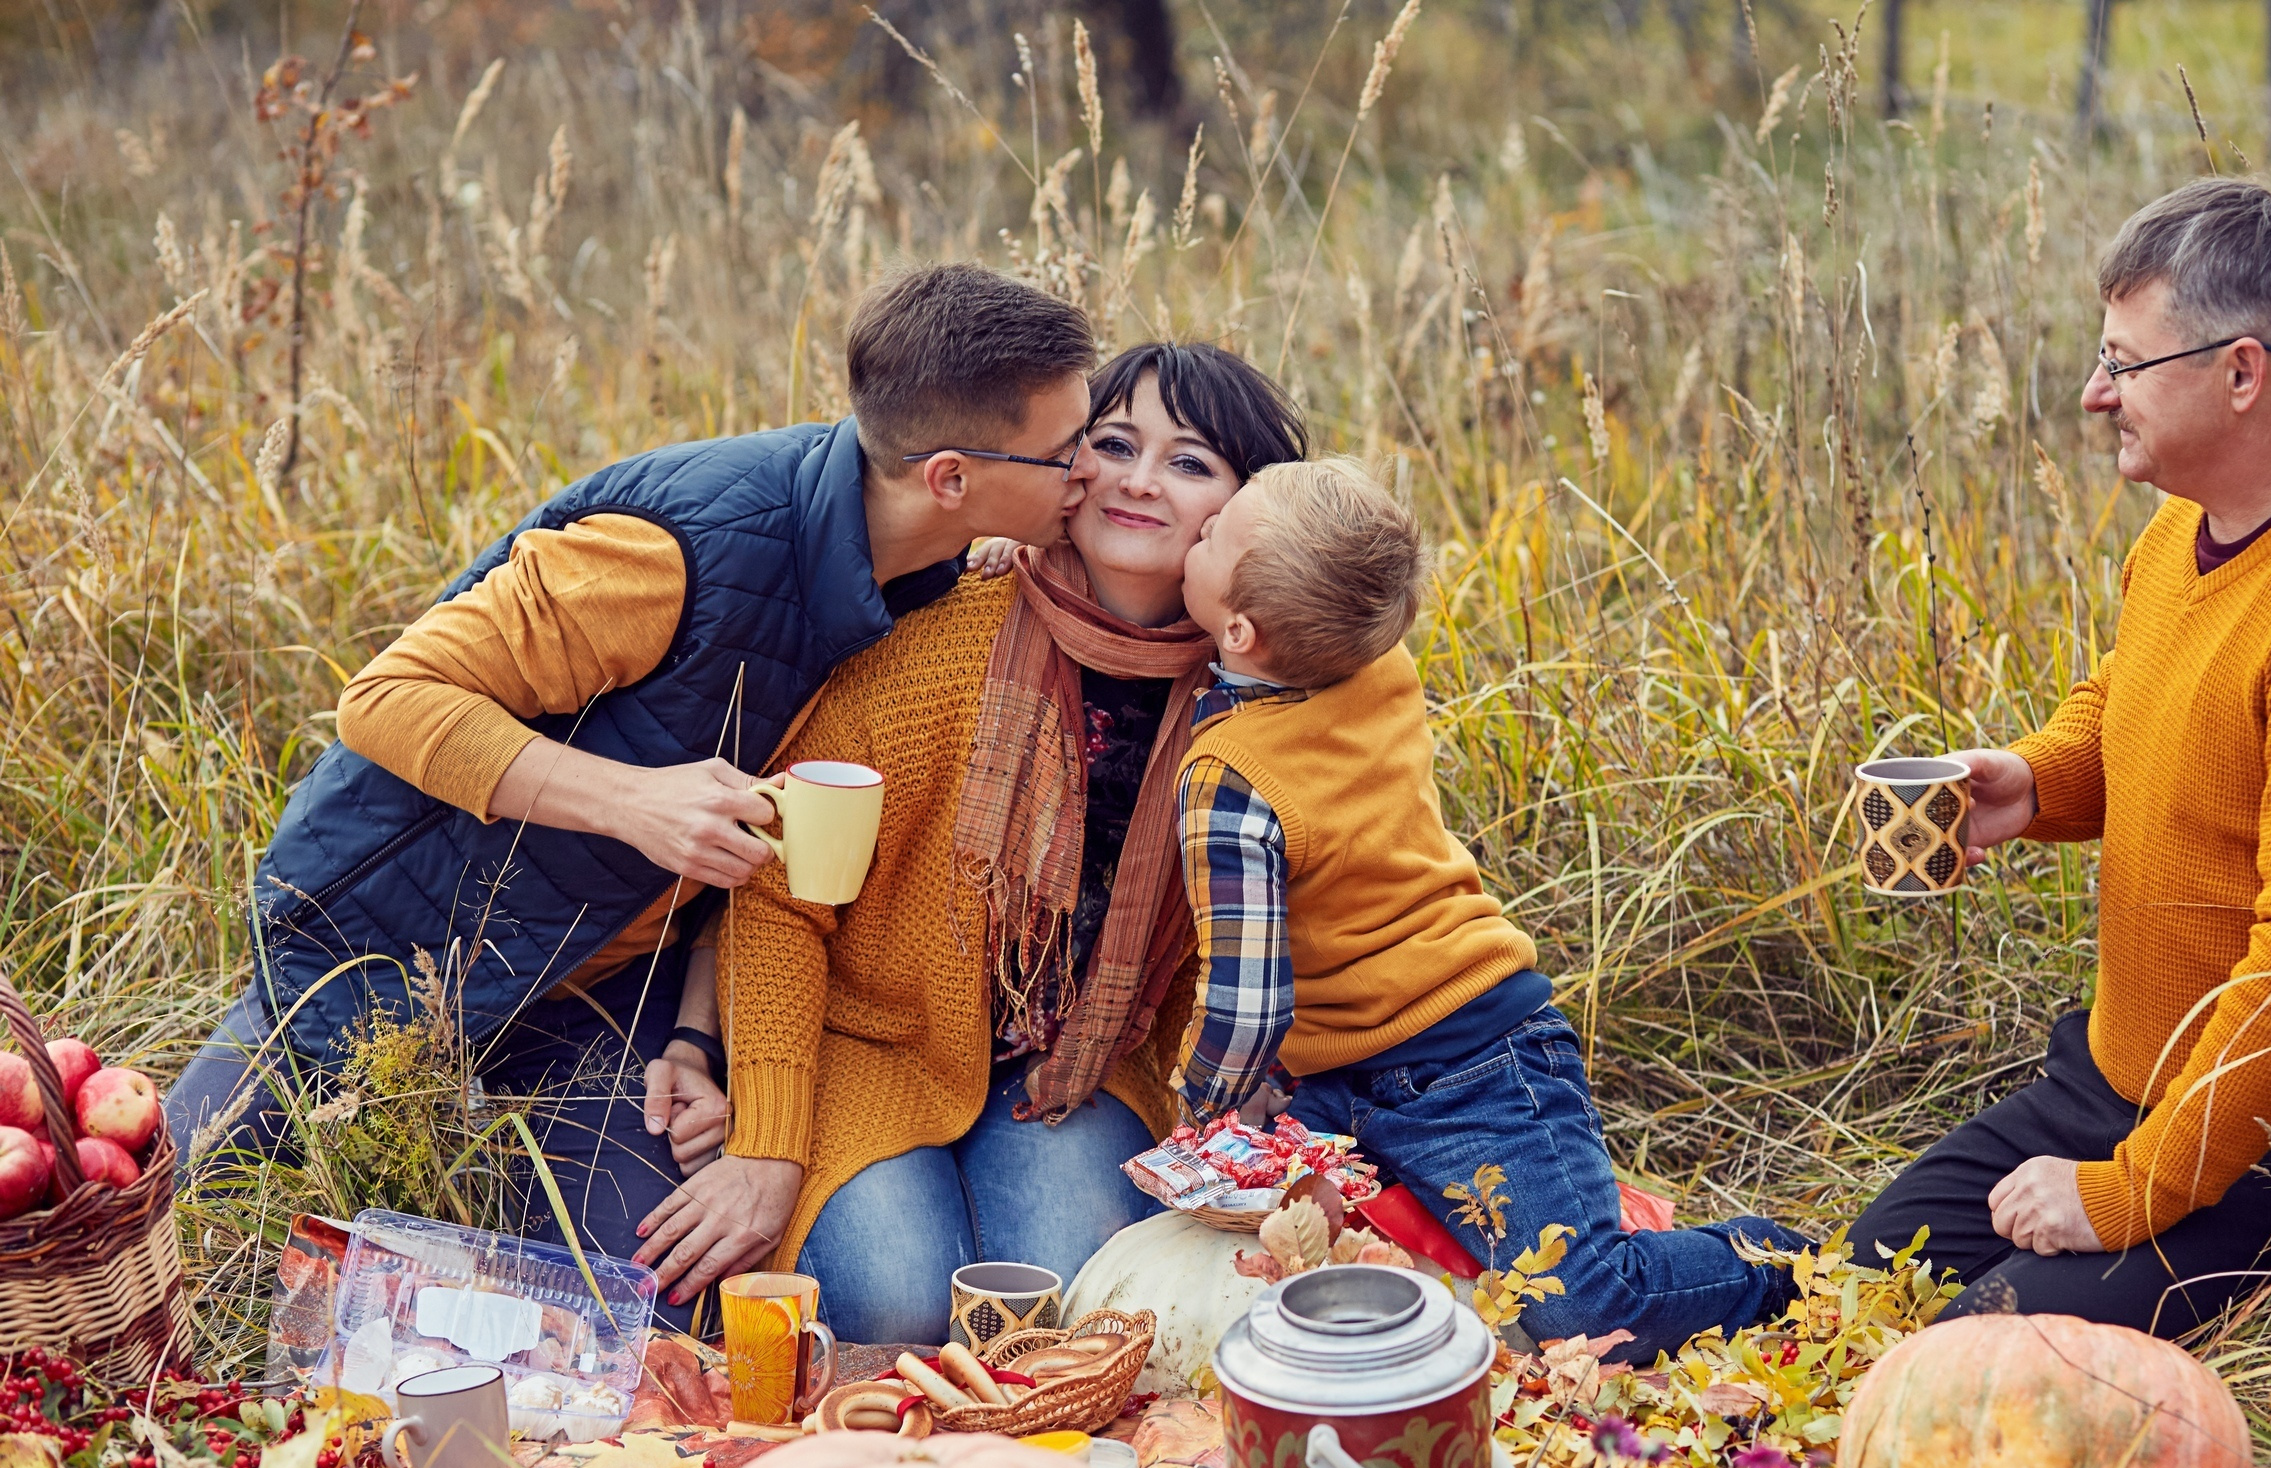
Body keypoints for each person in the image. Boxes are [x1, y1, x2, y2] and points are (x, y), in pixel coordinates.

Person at [168, 266, 1101, 1320]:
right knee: (168, 1220)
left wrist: (694, 1039)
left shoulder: (923, 574)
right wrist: (633, 802)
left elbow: (755, 859)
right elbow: (385, 699)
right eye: (1068, 452)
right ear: (949, 476)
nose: (1093, 470)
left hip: (599, 991)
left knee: (651, 1303)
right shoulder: (673, 555)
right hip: (383, 945)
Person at [1847, 179, 2271, 1337]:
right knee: (1861, 1276)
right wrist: (2034, 781)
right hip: (2122, 1079)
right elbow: (2136, 703)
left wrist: (2123, 1195)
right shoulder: (2187, 522)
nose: (2095, 394)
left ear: (2240, 373)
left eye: (2124, 363)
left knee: (1985, 1348)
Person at [636, 344, 1308, 1340]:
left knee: (1061, 1305)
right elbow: (779, 898)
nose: (1137, 480)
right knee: (893, 1302)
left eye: (1188, 462)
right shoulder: (942, 640)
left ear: (1245, 509)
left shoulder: (1250, 693)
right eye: (1114, 444)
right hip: (874, 1042)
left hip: (1085, 1062)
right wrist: (766, 1145)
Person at [1171, 457, 1807, 1362]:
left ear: (1239, 629)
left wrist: (1197, 1113)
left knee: (1584, 1306)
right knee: (1292, 1266)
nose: (1198, 525)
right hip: (1342, 1083)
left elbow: (1248, 1006)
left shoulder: (1231, 781)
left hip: (1474, 1063)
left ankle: (1778, 1262)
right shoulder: (1371, 658)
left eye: (1212, 533)